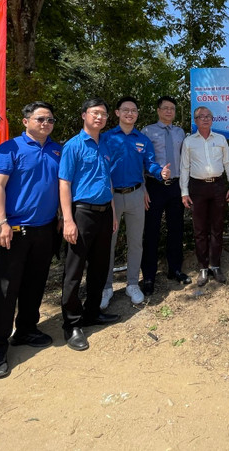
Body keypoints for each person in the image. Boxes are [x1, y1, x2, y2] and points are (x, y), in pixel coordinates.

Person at [0, 102, 62, 379]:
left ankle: (27, 329)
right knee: (6, 289)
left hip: (46, 229)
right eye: (40, 118)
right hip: (15, 230)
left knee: (35, 283)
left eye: (50, 119)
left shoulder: (56, 150)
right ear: (25, 120)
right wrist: (1, 222)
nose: (46, 123)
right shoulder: (9, 149)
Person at [59, 98, 122, 352]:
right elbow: (64, 184)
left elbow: (108, 181)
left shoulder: (106, 142)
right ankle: (72, 324)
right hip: (81, 213)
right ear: (84, 115)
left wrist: (114, 213)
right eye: (95, 113)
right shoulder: (73, 146)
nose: (100, 117)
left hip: (105, 212)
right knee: (74, 271)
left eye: (104, 114)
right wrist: (68, 220)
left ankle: (92, 312)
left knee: (100, 266)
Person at [101, 96, 170, 306]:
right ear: (117, 113)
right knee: (108, 243)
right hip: (111, 198)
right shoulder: (106, 138)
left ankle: (132, 283)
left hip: (136, 195)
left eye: (134, 110)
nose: (130, 113)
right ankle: (106, 287)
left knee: (135, 243)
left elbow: (150, 164)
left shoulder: (143, 139)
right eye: (126, 110)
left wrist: (161, 173)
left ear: (137, 114)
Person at [180, 106, 229, 286]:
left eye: (208, 116)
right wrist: (184, 192)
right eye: (200, 117)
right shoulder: (189, 141)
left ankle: (215, 265)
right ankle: (203, 267)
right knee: (199, 230)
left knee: (217, 228)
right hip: (197, 188)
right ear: (195, 121)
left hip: (218, 186)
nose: (204, 119)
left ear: (212, 120)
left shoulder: (220, 139)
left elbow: (228, 162)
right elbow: (184, 168)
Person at [141, 96, 190, 293]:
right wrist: (144, 187)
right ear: (158, 110)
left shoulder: (180, 132)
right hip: (155, 186)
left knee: (176, 229)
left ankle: (175, 269)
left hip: (176, 186)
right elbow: (143, 160)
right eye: (165, 108)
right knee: (151, 231)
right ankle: (149, 276)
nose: (169, 111)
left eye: (172, 109)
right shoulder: (147, 131)